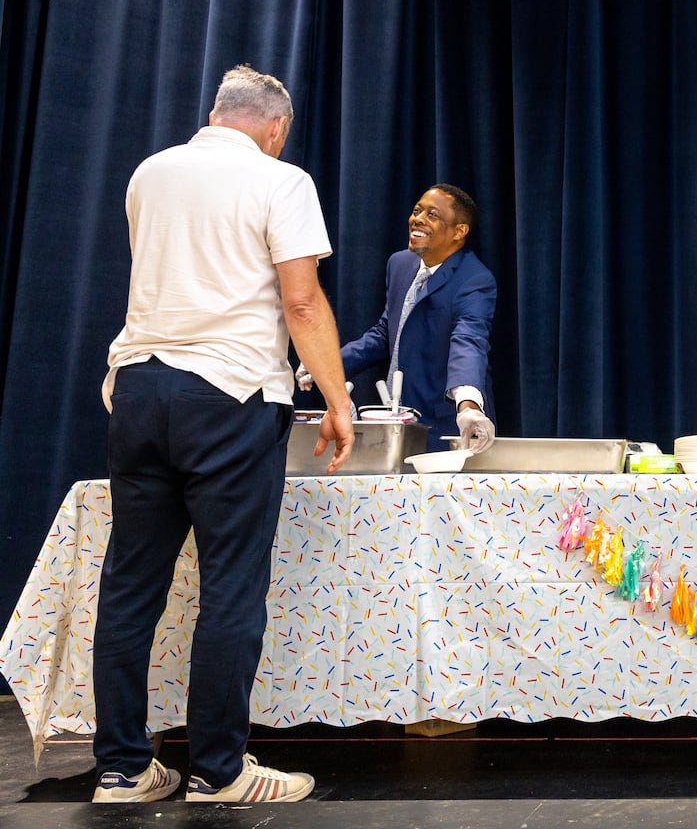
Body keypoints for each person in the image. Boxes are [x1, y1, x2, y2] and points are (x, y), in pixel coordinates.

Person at [93, 65, 354, 804]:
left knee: (130, 588)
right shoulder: (282, 181)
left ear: (215, 114)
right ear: (275, 128)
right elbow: (300, 302)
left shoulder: (151, 173)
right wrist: (336, 399)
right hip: (228, 394)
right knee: (231, 586)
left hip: (139, 389)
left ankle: (121, 768)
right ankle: (218, 771)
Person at [302, 184, 496, 452]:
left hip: (446, 428)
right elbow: (387, 332)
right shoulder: (400, 264)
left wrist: (468, 406)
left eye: (432, 215)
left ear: (459, 231)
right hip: (397, 423)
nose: (418, 218)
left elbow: (468, 341)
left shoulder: (474, 279)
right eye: (417, 211)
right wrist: (326, 365)